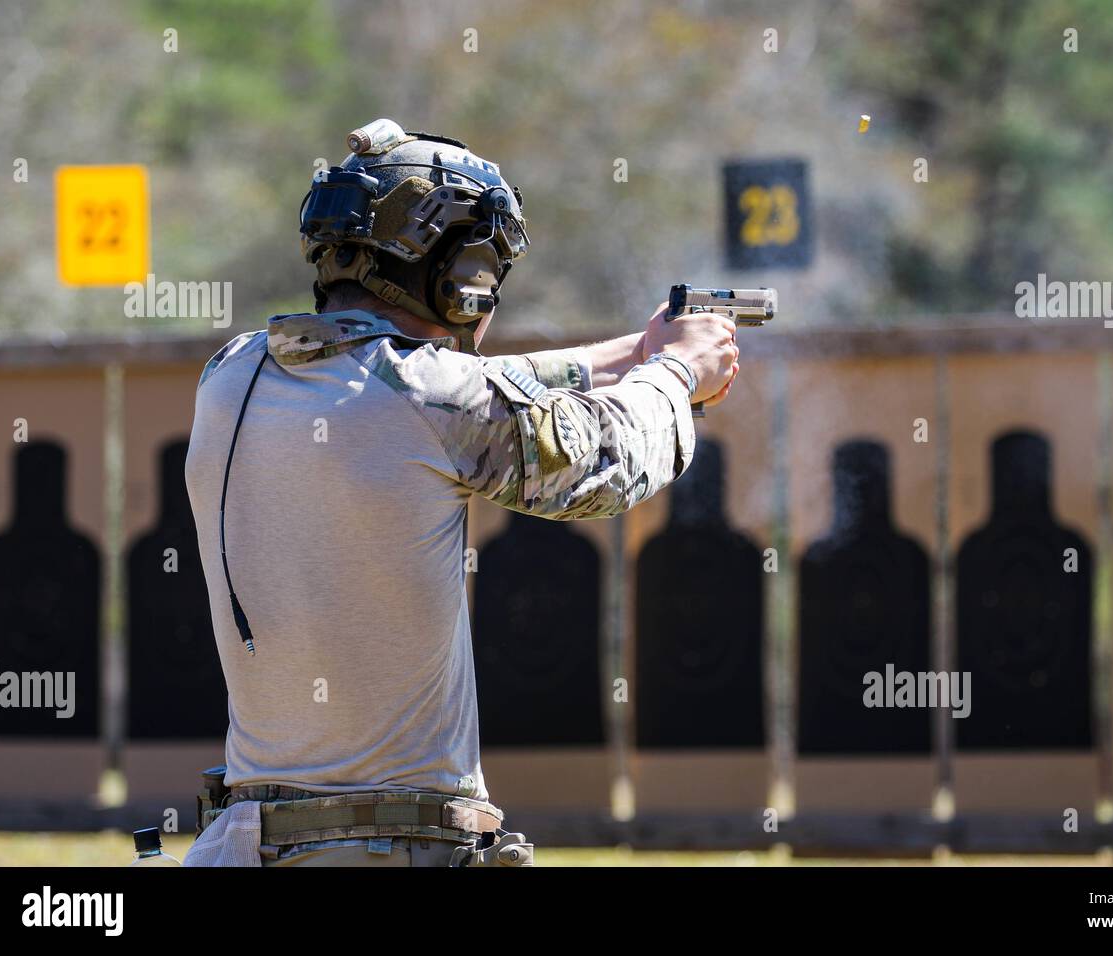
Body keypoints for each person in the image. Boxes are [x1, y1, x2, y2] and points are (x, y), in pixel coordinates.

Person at [182, 120, 740, 866]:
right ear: (459, 271)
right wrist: (675, 374)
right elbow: (606, 464)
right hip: (388, 849)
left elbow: (455, 393)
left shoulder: (232, 373)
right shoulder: (429, 400)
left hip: (240, 845)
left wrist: (630, 355)